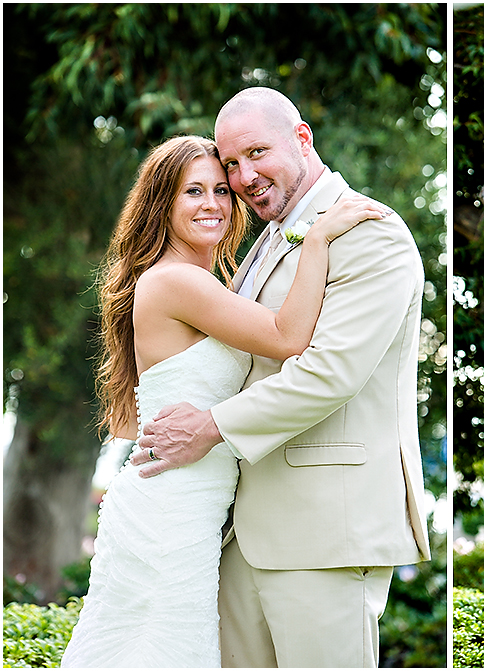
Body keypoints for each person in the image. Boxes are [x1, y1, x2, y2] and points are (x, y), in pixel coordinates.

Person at [130, 87, 431, 668]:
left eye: (256, 153)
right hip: (239, 529)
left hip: (324, 530)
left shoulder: (368, 231)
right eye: (231, 163)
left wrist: (211, 426)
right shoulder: (264, 240)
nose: (243, 176)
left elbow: (327, 373)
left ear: (302, 139)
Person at [61, 135, 386, 668]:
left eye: (221, 190)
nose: (212, 204)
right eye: (193, 191)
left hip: (197, 508)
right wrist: (320, 236)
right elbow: (286, 338)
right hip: (170, 511)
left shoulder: (213, 281)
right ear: (161, 203)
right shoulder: (175, 282)